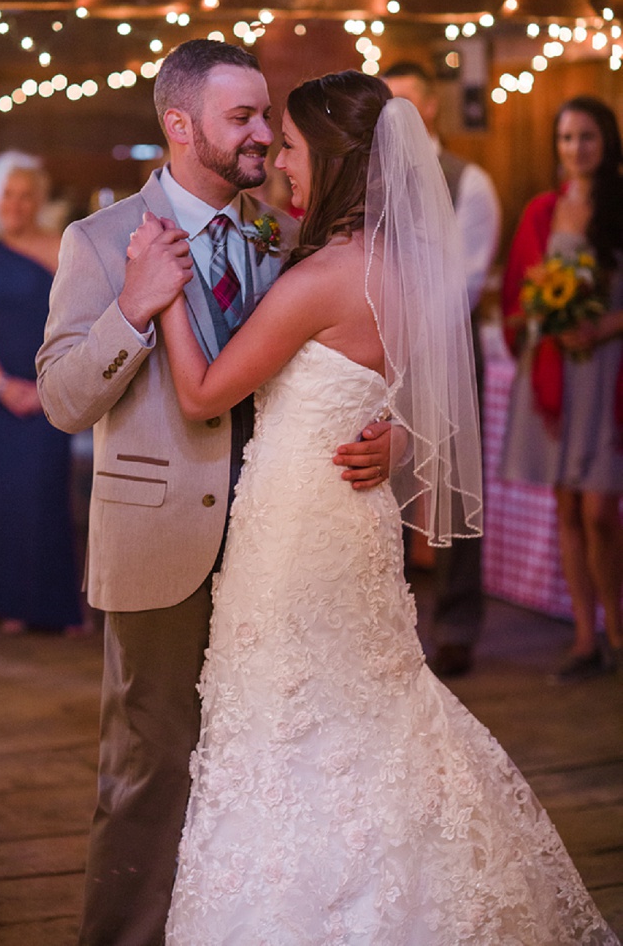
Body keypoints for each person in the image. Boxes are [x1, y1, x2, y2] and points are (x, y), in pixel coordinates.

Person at [130, 70, 618, 944]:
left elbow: (203, 393)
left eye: (290, 147)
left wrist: (161, 294)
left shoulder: (322, 277)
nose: (278, 162)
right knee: (369, 704)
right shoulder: (407, 269)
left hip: (294, 539)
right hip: (353, 528)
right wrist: (396, 435)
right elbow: (430, 397)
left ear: (337, 161)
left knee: (288, 723)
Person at [35, 40, 391, 946]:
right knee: (148, 769)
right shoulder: (103, 240)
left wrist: (393, 439)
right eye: (245, 118)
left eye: (268, 116)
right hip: (159, 540)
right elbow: (62, 400)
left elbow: (337, 364)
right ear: (180, 124)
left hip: (279, 545)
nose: (266, 135)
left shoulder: (283, 232)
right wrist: (130, 309)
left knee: (254, 761)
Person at [384, 61, 501, 677]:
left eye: (404, 101)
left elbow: (467, 281)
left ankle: (456, 627)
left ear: (430, 107)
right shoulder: (370, 181)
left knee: (454, 489)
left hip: (448, 349)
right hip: (381, 356)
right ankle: (390, 622)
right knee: (384, 483)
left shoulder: (469, 181)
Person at [501, 95, 623, 682]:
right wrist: (549, 322)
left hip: (610, 367)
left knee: (601, 506)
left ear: (608, 142)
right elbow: (521, 293)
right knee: (569, 503)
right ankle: (584, 638)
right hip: (560, 365)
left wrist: (605, 325)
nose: (577, 148)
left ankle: (617, 632)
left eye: (589, 137)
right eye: (568, 137)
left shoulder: (619, 208)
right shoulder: (543, 211)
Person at [0, 151, 83, 636]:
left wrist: (43, 388)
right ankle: (10, 603)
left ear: (39, 200)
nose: (15, 204)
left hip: (48, 392)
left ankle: (59, 610)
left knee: (47, 495)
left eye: (25, 195)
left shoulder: (62, 249)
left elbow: (81, 324)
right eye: (7, 195)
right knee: (4, 499)